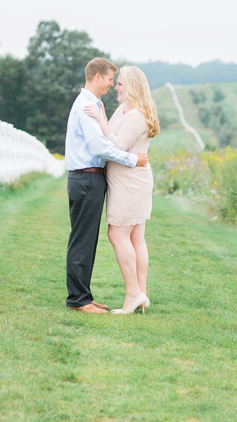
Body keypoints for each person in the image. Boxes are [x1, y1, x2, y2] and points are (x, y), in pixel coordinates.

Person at [65, 58, 149, 314]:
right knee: (82, 239)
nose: (113, 85)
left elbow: (108, 138)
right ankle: (79, 299)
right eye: (111, 79)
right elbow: (101, 146)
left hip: (92, 177)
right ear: (98, 77)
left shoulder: (95, 105)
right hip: (86, 177)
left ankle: (84, 297)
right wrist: (132, 159)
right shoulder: (86, 107)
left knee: (88, 240)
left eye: (117, 81)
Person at [84, 65, 159, 314]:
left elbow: (117, 143)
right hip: (125, 180)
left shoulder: (137, 115)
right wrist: (105, 116)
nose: (116, 86)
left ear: (132, 86)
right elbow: (111, 135)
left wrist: (98, 118)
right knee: (135, 237)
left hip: (131, 183)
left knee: (117, 235)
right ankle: (140, 294)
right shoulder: (123, 109)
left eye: (121, 83)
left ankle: (133, 295)